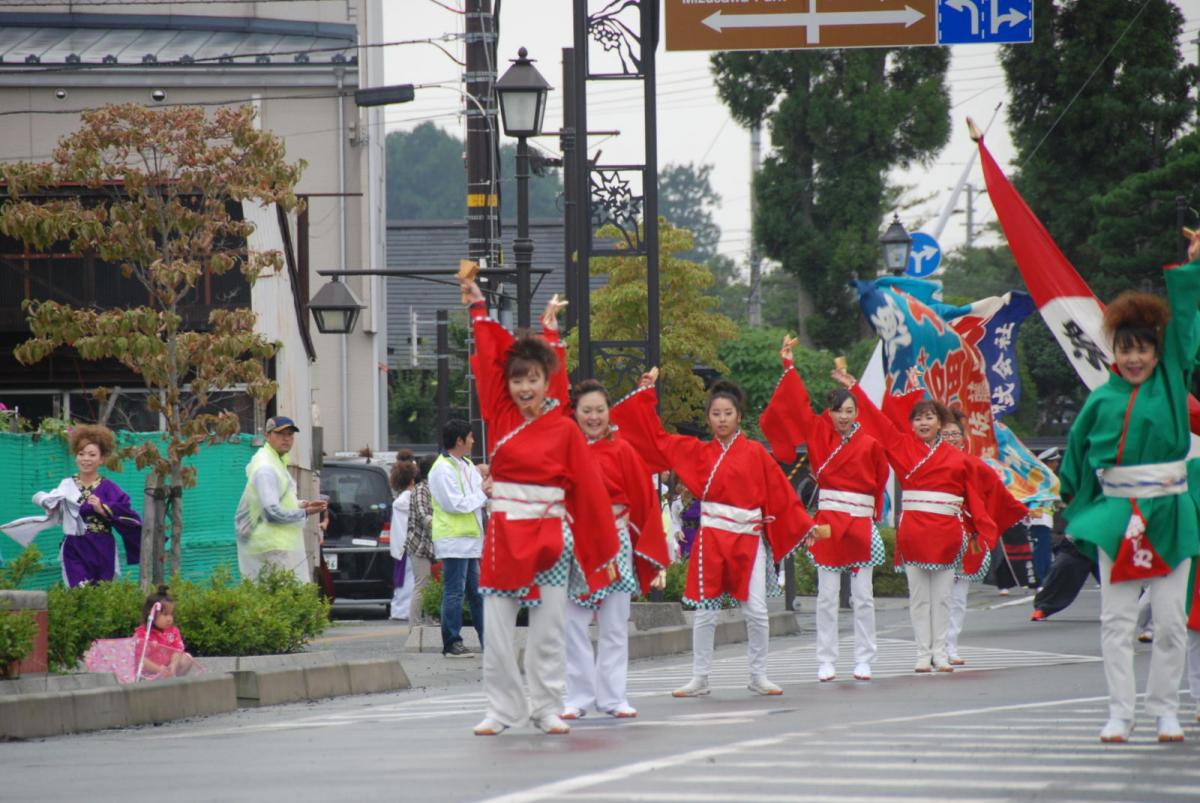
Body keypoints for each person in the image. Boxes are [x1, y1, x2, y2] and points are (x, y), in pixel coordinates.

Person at [460, 278, 619, 736]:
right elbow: (488, 359)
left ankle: (547, 706)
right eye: (517, 380)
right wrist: (477, 309)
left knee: (549, 630)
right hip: (505, 534)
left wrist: (599, 549)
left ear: (548, 381)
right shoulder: (499, 413)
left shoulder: (565, 428)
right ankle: (501, 710)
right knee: (497, 630)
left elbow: (587, 490)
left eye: (533, 379)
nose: (524, 387)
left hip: (550, 536)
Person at [1059, 236, 1200, 743]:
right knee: (1116, 620)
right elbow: (1075, 461)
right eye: (1125, 349)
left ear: (1157, 352)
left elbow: (1186, 321)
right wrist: (1083, 506)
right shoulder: (1101, 400)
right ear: (1114, 353)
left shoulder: (1171, 381)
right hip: (1118, 516)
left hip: (1171, 513)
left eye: (1142, 349)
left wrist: (1194, 266)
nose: (1134, 358)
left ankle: (1165, 709)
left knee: (1171, 621)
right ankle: (1120, 711)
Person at [612, 372, 828, 698]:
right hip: (712, 539)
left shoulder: (756, 453)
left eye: (728, 413)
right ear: (709, 418)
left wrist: (805, 524)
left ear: (738, 416)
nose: (722, 419)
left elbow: (781, 494)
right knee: (705, 611)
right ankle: (700, 677)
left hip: (748, 538)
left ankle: (758, 674)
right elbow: (657, 439)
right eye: (716, 414)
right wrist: (645, 395)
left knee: (756, 610)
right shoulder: (698, 452)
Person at [833, 369, 997, 674]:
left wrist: (981, 526)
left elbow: (980, 493)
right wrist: (855, 388)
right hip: (914, 533)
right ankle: (923, 653)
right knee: (920, 599)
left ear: (940, 424)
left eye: (929, 417)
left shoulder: (959, 458)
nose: (923, 423)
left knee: (943, 599)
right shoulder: (902, 447)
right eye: (918, 418)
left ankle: (941, 653)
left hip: (947, 534)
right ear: (911, 425)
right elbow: (878, 423)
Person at [760, 339, 888, 682]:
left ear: (857, 413)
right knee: (827, 596)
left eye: (849, 411)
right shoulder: (818, 432)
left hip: (859, 521)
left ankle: (865, 658)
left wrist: (874, 514)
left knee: (863, 596)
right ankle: (826, 659)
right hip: (829, 520)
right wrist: (789, 366)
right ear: (829, 413)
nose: (843, 417)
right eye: (838, 411)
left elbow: (880, 480)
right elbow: (799, 405)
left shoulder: (870, 443)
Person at [562, 378, 670, 720]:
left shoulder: (623, 450)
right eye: (587, 410)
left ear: (609, 411)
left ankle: (613, 696)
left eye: (600, 410)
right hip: (579, 546)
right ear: (575, 412)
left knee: (614, 623)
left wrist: (649, 547)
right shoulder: (565, 451)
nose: (594, 417)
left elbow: (644, 500)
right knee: (573, 623)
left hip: (616, 542)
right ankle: (578, 696)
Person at [938, 412, 1027, 666]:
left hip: (967, 536)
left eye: (955, 434)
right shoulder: (928, 462)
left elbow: (997, 492)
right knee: (936, 596)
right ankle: (933, 646)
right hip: (938, 534)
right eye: (945, 434)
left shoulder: (974, 465)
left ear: (963, 437)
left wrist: (1018, 509)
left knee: (958, 596)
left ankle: (950, 646)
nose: (951, 438)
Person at [13, 424, 142, 587]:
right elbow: (54, 507)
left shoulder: (109, 487)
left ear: (102, 459)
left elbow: (127, 514)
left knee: (103, 590)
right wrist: (53, 506)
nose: (86, 459)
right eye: (81, 454)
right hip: (74, 545)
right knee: (78, 590)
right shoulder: (66, 485)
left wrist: (103, 509)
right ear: (76, 456)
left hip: (103, 546)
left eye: (92, 454)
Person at [235, 416, 326, 582]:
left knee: (277, 593)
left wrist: (302, 504)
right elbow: (271, 512)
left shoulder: (276, 461)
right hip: (270, 545)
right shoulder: (266, 468)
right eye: (280, 434)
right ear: (268, 435)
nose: (286, 438)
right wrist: (305, 513)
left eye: (290, 434)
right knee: (281, 593)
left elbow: (271, 501)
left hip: (273, 543)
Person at [429, 420, 487, 659]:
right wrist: (484, 493)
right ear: (460, 440)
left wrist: (486, 492)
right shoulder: (441, 469)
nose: (474, 441)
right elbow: (454, 504)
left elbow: (481, 496)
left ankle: (490, 643)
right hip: (453, 540)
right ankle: (452, 643)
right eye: (470, 437)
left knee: (478, 594)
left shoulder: (467, 464)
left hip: (471, 540)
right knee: (455, 593)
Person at [1031, 447, 1100, 621]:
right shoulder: (1060, 477)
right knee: (1066, 564)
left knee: (1120, 573)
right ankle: (1044, 607)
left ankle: (1144, 609)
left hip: (1108, 524)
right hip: (1082, 528)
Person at [133, 585, 198, 679]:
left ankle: (173, 678)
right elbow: (139, 658)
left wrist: (173, 665)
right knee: (141, 660)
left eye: (171, 615)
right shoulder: (143, 633)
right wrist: (159, 669)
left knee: (187, 658)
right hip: (149, 670)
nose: (169, 619)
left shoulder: (173, 631)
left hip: (168, 666)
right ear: (151, 613)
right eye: (165, 614)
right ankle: (158, 678)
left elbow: (177, 650)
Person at [404, 454, 438, 626]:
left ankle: (429, 622)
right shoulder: (421, 489)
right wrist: (442, 525)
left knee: (428, 585)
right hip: (419, 545)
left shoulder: (431, 488)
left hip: (428, 545)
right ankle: (415, 626)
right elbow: (423, 515)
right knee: (422, 584)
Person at [388, 450, 419, 621]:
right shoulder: (408, 499)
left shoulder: (400, 500)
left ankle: (401, 610)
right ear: (412, 479)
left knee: (404, 580)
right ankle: (403, 611)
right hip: (409, 545)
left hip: (402, 545)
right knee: (409, 580)